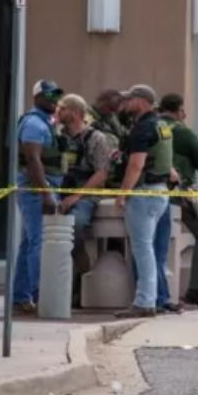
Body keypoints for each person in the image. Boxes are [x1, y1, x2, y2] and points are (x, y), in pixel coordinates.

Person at [115, 84, 177, 319]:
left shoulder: (143, 128)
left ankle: (145, 302)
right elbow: (166, 162)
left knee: (142, 250)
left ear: (141, 101)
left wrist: (122, 193)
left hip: (143, 192)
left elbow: (136, 165)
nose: (125, 104)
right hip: (160, 191)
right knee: (148, 249)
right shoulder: (163, 126)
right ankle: (148, 299)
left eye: (129, 99)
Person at [153, 92, 198, 311]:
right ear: (179, 110)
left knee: (153, 244)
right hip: (180, 192)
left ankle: (157, 293)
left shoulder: (152, 126)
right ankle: (195, 290)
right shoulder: (182, 131)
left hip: (151, 191)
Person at [56, 93, 116, 309]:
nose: (57, 112)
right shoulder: (58, 137)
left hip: (85, 195)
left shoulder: (96, 138)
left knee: (76, 227)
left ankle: (82, 279)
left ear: (73, 112)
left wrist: (77, 195)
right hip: (59, 192)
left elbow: (101, 172)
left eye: (61, 108)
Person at [13, 79, 67, 315]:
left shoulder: (46, 122)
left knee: (29, 243)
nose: (53, 99)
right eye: (48, 95)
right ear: (36, 98)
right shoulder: (34, 124)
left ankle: (21, 296)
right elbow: (33, 161)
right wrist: (45, 194)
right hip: (37, 190)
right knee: (39, 243)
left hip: (41, 187)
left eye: (56, 95)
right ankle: (40, 295)